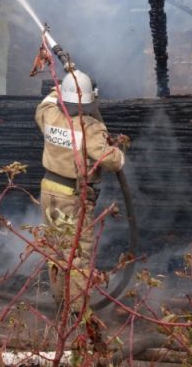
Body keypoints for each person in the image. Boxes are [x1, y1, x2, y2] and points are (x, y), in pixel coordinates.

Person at [35, 69, 125, 313]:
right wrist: (119, 154)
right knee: (76, 254)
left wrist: (61, 85)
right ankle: (75, 313)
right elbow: (111, 160)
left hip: (48, 191)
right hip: (73, 197)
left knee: (55, 249)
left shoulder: (49, 115)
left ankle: (60, 303)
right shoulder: (91, 127)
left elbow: (45, 104)